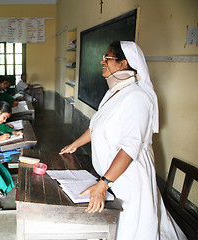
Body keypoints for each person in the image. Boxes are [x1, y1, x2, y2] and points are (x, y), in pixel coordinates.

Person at [60, 41, 186, 240]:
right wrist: (76, 144)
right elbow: (96, 126)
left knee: (132, 228)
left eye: (107, 58)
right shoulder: (114, 92)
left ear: (123, 64)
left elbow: (130, 147)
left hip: (130, 177)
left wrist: (102, 185)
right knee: (116, 226)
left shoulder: (137, 97)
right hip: (112, 176)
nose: (102, 61)